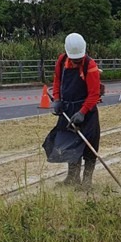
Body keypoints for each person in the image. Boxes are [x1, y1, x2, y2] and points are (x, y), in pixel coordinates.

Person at [42, 32, 102, 189]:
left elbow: (94, 94)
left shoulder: (90, 66)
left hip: (86, 112)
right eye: (74, 59)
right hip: (67, 110)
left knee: (89, 146)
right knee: (70, 144)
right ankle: (72, 177)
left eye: (78, 59)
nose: (76, 61)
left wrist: (83, 112)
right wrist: (57, 100)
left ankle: (87, 181)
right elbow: (57, 82)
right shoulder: (61, 62)